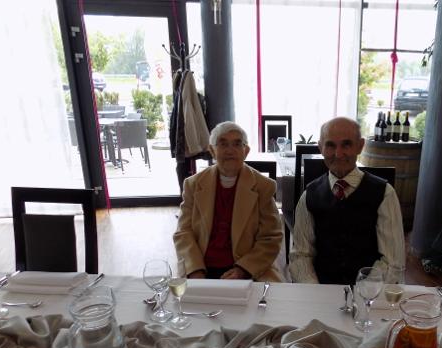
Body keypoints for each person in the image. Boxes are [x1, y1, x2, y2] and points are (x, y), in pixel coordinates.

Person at [289, 116, 405, 285]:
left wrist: (363, 292)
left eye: (346, 144)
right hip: (321, 289)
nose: (338, 154)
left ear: (360, 146)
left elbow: (393, 261)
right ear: (320, 148)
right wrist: (315, 290)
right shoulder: (309, 196)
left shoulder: (385, 194)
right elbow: (301, 255)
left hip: (368, 292)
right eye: (330, 145)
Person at [174, 121, 283, 281]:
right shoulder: (193, 185)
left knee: (268, 295)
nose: (230, 151)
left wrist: (243, 269)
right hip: (201, 264)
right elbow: (183, 232)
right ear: (212, 150)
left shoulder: (262, 186)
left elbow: (271, 237)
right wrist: (195, 269)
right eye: (223, 144)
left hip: (247, 266)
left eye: (237, 144)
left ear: (246, 151)